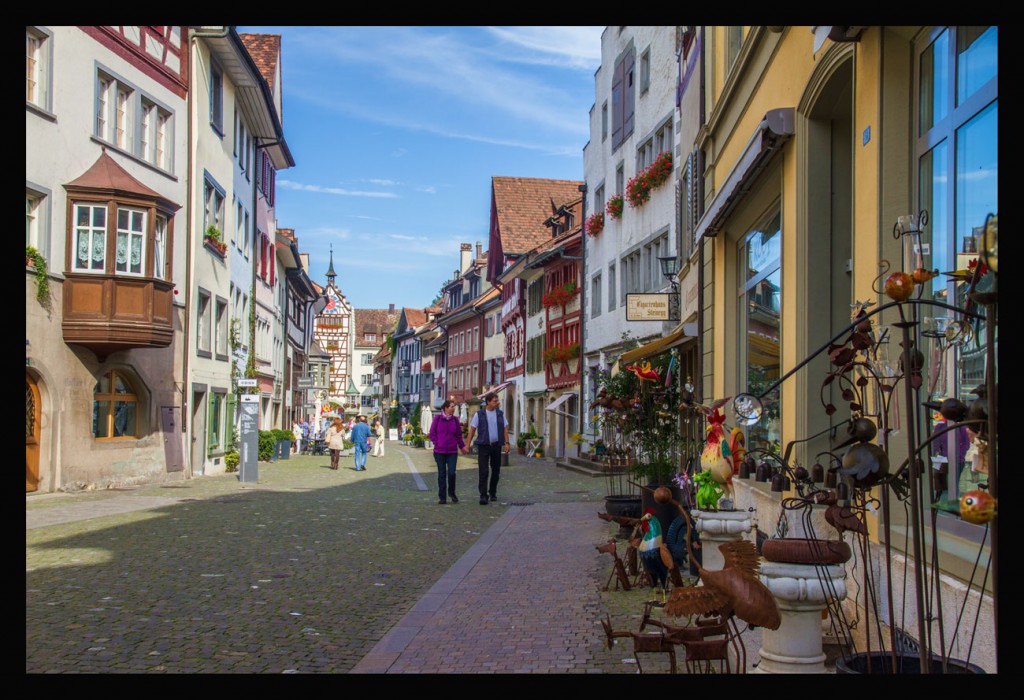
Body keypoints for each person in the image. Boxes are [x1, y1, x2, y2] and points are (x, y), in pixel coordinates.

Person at [462, 392, 509, 505]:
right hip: (483, 446)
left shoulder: (500, 414)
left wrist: (507, 443)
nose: (497, 403)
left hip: (496, 445)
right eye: (495, 401)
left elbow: (505, 428)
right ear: (488, 402)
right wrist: (467, 445)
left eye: (497, 401)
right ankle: (483, 495)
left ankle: (492, 492)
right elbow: (472, 430)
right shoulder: (480, 414)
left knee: (496, 471)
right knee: (484, 471)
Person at [429, 399, 464, 504]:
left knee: (452, 473)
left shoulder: (455, 420)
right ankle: (442, 497)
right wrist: (437, 442)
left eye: (454, 406)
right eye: (452, 406)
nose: (454, 408)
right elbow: (432, 433)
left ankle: (451, 492)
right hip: (439, 451)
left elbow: (459, 435)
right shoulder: (437, 419)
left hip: (452, 451)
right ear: (446, 408)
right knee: (442, 473)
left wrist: (462, 447)